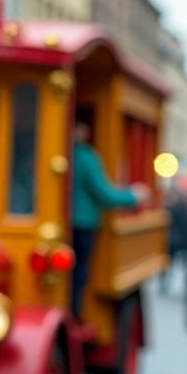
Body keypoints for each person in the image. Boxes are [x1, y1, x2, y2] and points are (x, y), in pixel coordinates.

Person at [70, 117, 150, 314]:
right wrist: (134, 196)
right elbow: (105, 195)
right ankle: (75, 313)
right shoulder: (86, 157)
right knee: (79, 274)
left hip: (64, 223)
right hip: (83, 225)